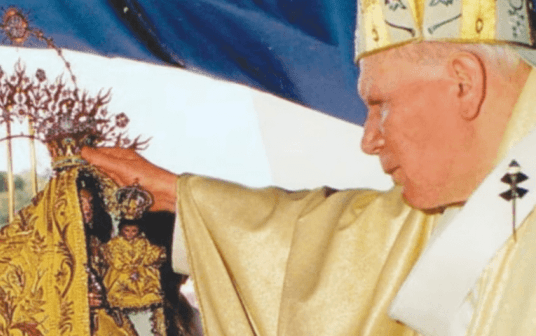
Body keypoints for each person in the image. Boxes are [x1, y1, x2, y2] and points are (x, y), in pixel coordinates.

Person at [81, 1, 536, 335]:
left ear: (464, 82)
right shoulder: (498, 197)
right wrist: (181, 196)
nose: (368, 139)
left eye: (380, 105)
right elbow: (349, 240)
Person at [102, 220, 167, 335]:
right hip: (122, 272)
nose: (130, 234)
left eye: (134, 231)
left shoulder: (142, 242)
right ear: (121, 229)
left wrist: (158, 253)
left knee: (148, 279)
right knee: (121, 281)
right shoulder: (115, 243)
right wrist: (129, 269)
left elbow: (148, 254)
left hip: (140, 272)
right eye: (127, 230)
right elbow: (116, 261)